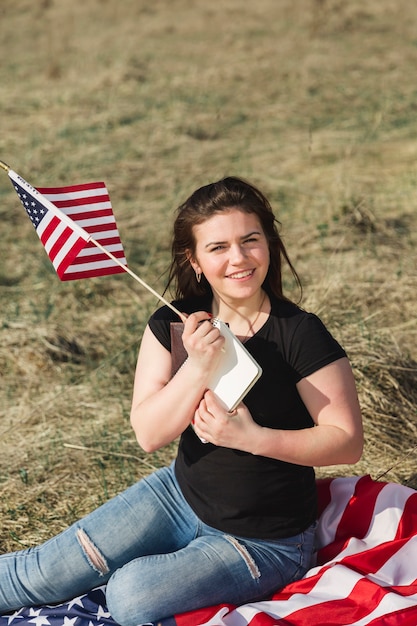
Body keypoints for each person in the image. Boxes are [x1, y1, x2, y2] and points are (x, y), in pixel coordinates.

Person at [0, 177, 363, 626]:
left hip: (266, 541)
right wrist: (198, 366)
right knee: (40, 573)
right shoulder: (172, 322)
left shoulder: (300, 333)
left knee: (130, 595)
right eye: (218, 248)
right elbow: (149, 434)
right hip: (179, 494)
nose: (238, 259)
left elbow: (346, 440)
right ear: (194, 259)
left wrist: (252, 438)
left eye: (250, 240)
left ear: (268, 242)